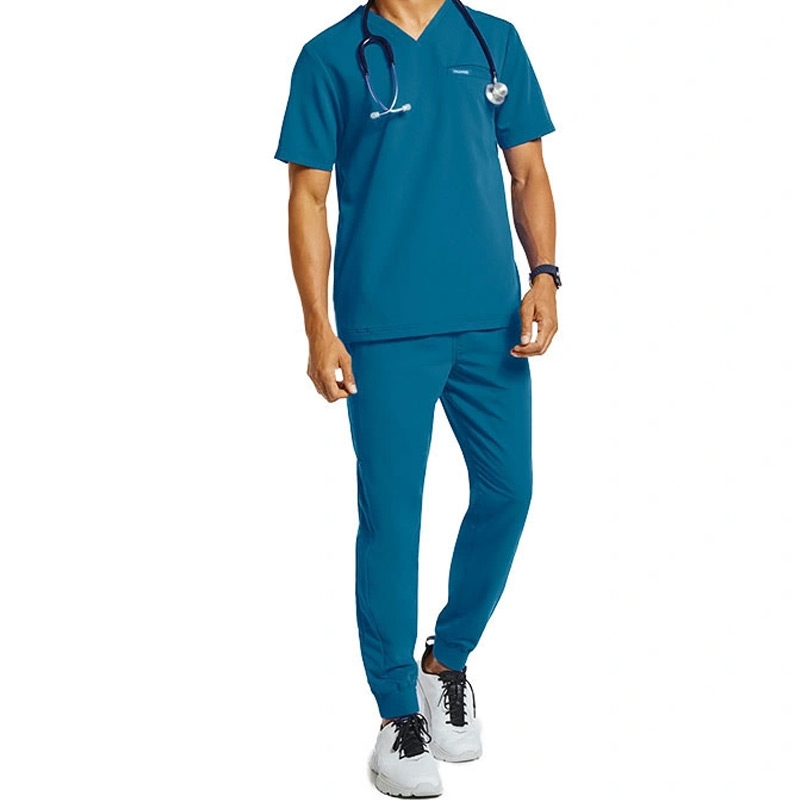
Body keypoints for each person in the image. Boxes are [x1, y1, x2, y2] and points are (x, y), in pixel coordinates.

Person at [274, 0, 560, 795]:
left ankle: (447, 661)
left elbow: (529, 170)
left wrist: (544, 274)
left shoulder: (492, 41)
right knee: (393, 519)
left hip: (490, 320)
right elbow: (307, 197)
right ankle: (397, 713)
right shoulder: (330, 56)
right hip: (385, 325)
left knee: (509, 492)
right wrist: (318, 328)